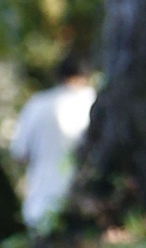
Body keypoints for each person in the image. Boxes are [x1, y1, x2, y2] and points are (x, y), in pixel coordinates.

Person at [6, 53, 97, 235]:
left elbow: (18, 154)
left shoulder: (36, 105)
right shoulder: (93, 101)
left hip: (40, 208)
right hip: (86, 204)